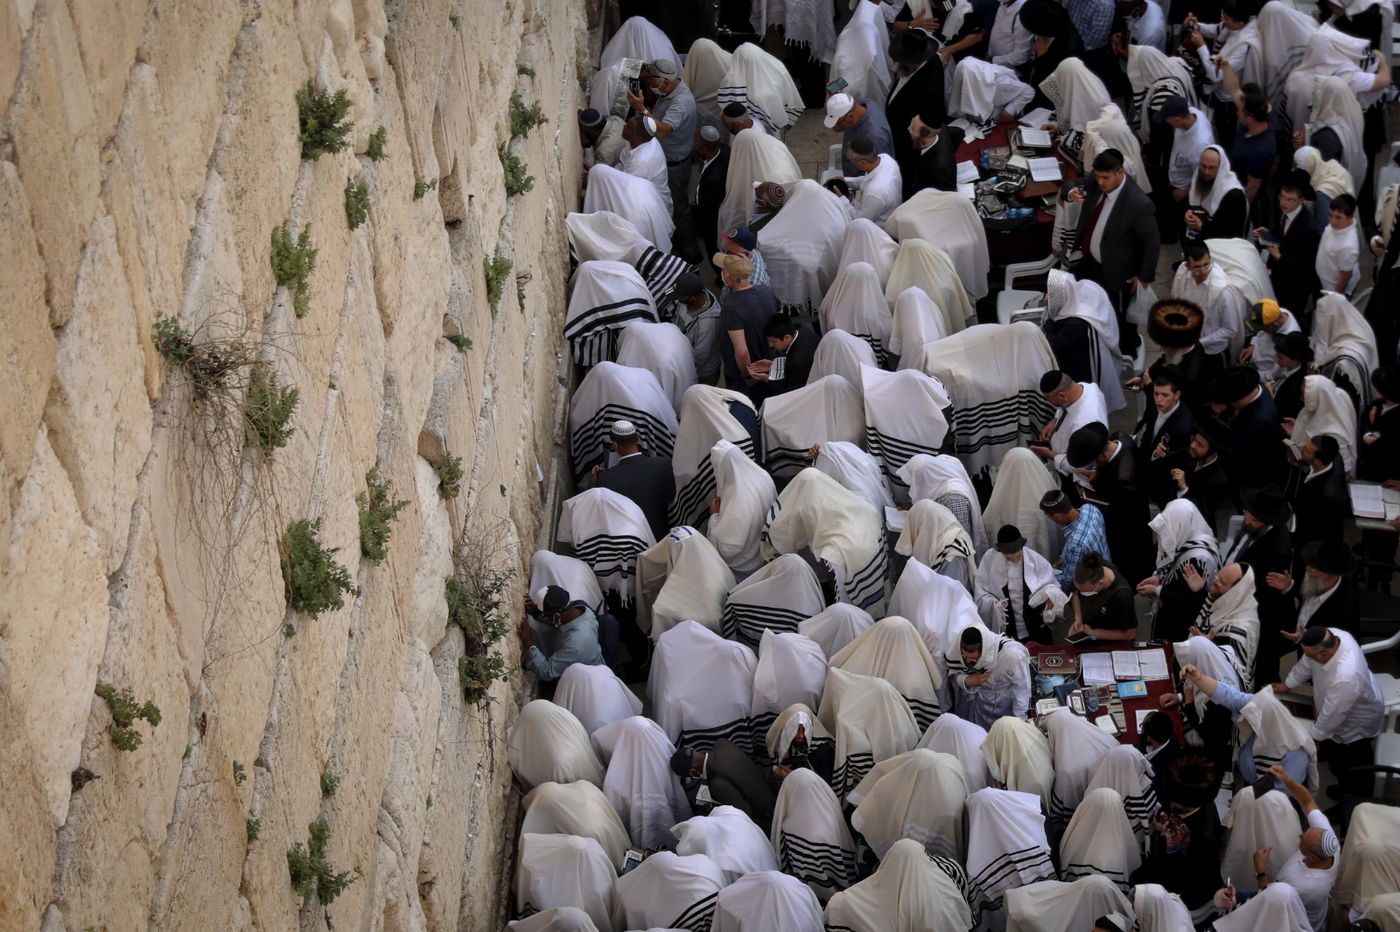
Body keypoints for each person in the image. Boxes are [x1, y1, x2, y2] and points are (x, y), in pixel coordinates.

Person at [1068, 148, 1160, 353]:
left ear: (1120, 173)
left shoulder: (1138, 203)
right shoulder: (1096, 181)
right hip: (1090, 262)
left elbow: (1152, 242)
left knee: (1121, 318)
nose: (1100, 182)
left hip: (1118, 272)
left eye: (1105, 178)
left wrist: (1144, 276)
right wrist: (1071, 192)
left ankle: (1127, 353)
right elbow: (1074, 184)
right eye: (1098, 176)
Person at [1276, 626, 1385, 799]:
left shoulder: (1346, 675)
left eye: (1312, 656)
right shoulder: (1334, 635)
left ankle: (1352, 802)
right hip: (1339, 707)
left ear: (1324, 654)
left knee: (1352, 767)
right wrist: (1287, 684)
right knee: (1338, 763)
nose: (1309, 658)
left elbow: (1332, 716)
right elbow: (1306, 662)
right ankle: (1344, 788)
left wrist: (1309, 741)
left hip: (1354, 725)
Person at [1066, 422, 1155, 583]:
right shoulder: (1120, 437)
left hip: (1129, 530)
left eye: (1094, 462)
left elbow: (1117, 513)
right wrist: (1097, 473)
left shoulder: (1124, 481)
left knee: (1128, 562)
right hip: (1129, 504)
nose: (1094, 465)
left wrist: (1087, 496)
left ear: (1101, 457)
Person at [629, 58, 698, 260]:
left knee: (679, 211)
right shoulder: (671, 90)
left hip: (675, 166)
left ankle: (690, 255)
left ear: (666, 83)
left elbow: (662, 131)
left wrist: (641, 109)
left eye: (653, 86)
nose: (652, 90)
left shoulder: (681, 102)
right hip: (667, 161)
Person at [1138, 499, 1221, 642]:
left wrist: (1157, 590)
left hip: (1181, 629)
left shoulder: (1199, 559)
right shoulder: (1193, 540)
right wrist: (1160, 578)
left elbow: (1186, 599)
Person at [1184, 1, 1262, 144]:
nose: (1223, 22)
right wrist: (1195, 25)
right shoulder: (1231, 27)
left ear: (1239, 24)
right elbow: (1214, 29)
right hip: (1219, 95)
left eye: (1227, 19)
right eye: (1223, 17)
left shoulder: (1243, 46)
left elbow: (1217, 75)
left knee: (1226, 135)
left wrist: (1201, 46)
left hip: (1228, 101)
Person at [974, 525, 1067, 643]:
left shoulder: (1034, 560)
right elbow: (980, 593)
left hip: (1035, 627)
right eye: (1009, 558)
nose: (1015, 561)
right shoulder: (989, 560)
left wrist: (1050, 595)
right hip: (1008, 629)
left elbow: (1051, 584)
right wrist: (995, 605)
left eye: (1018, 556)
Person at [587, 419, 676, 542]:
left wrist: (592, 483)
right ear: (638, 438)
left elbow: (594, 511)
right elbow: (672, 500)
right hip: (661, 540)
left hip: (631, 545)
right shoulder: (663, 464)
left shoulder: (605, 479)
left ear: (615, 445)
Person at [885, 31, 946, 198]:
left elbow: (933, 119)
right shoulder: (912, 67)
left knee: (907, 173)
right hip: (899, 131)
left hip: (909, 143)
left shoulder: (930, 82)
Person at [671, 740, 780, 833]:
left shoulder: (717, 784)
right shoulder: (721, 744)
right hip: (771, 792)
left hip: (769, 818)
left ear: (693, 771)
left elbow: (744, 817)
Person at [713, 251, 777, 405]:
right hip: (767, 364)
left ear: (729, 277)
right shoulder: (766, 291)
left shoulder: (731, 307)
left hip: (746, 376)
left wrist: (748, 377)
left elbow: (742, 352)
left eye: (724, 270)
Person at [1253, 174, 1321, 309]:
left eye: (1290, 200)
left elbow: (1306, 268)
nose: (1284, 202)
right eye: (1282, 197)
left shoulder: (1309, 229)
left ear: (1301, 200)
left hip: (1294, 288)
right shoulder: (1283, 210)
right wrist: (1267, 234)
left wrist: (1279, 257)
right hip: (1277, 278)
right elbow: (1282, 232)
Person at [946, 623, 1033, 727]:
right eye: (964, 656)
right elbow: (954, 673)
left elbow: (1022, 692)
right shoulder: (960, 650)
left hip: (1003, 711)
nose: (968, 661)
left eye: (973, 659)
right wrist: (967, 680)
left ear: (984, 652)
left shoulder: (1012, 655)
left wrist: (1018, 724)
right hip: (973, 709)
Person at [1172, 243, 1246, 364]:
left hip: (1211, 354)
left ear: (1210, 259)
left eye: (1206, 265)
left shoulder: (1223, 291)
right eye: (1196, 267)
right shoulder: (1183, 276)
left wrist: (1199, 342)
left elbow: (1230, 328)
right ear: (1187, 266)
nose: (1203, 271)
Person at [519, 585, 606, 683]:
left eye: (546, 615)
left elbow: (546, 672)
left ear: (556, 616)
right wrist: (536, 613)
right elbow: (559, 621)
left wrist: (530, 643)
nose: (545, 617)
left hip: (587, 683)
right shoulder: (583, 610)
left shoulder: (575, 644)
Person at [1136, 366, 1197, 507]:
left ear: (1177, 395)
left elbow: (1175, 460)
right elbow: (1148, 432)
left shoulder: (1183, 427)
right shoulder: (1155, 404)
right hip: (1145, 464)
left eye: (1165, 395)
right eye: (1156, 394)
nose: (1159, 400)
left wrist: (1156, 455)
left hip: (1163, 479)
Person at [1031, 370, 1109, 478]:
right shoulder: (1086, 387)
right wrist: (1055, 421)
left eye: (1051, 401)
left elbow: (1079, 466)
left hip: (1068, 477)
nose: (1051, 404)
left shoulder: (1083, 425)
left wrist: (1050, 455)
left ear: (1062, 395)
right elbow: (1064, 406)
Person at [1160, 95, 1217, 227]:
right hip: (1176, 176)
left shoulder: (1199, 145)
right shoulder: (1193, 113)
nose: (1166, 123)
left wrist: (1185, 192)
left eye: (1167, 119)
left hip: (1184, 192)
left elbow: (1204, 177)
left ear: (1177, 119)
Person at [1289, 436, 1352, 553]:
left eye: (1306, 450)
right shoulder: (1332, 457)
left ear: (1317, 461)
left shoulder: (1326, 496)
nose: (1301, 448)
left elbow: (1311, 529)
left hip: (1312, 545)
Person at [1041, 490, 1111, 591]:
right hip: (1106, 565)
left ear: (1057, 516)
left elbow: (1068, 583)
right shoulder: (1090, 508)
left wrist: (1044, 578)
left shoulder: (1077, 545)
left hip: (1094, 586)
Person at [1067, 550, 1138, 641]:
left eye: (1086, 592)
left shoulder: (1122, 597)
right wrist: (1078, 619)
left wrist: (1094, 633)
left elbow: (1130, 634)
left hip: (1108, 641)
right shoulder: (1093, 567)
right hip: (1088, 627)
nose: (1082, 594)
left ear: (1100, 583)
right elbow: (1075, 594)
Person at [1169, 426, 1229, 533]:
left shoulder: (1218, 479)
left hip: (1196, 530)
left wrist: (1184, 489)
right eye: (1194, 440)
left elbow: (1203, 512)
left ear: (1211, 452)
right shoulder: (1193, 453)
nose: (1192, 445)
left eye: (1199, 445)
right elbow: (1171, 457)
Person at [1184, 145, 1247, 241]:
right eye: (1203, 166)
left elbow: (1232, 233)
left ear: (1221, 168)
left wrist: (1201, 226)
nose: (1206, 172)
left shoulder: (1234, 195)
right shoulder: (1198, 179)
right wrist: (1188, 215)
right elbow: (1193, 203)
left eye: (1212, 168)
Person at [824, 92, 894, 177]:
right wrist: (837, 100)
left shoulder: (874, 137)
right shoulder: (865, 103)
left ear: (850, 117)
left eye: (838, 123)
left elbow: (879, 174)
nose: (835, 127)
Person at [747, 314, 817, 396]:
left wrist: (766, 378)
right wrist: (771, 365)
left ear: (787, 338)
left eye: (773, 341)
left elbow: (790, 393)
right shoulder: (803, 330)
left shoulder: (797, 362)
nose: (770, 345)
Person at [670, 272, 721, 384]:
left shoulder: (708, 324)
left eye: (680, 297)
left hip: (701, 374)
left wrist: (679, 373)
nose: (677, 300)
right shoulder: (692, 295)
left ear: (692, 298)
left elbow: (699, 358)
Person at [842, 136, 903, 223]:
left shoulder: (875, 192)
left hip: (877, 228)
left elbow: (859, 220)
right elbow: (868, 179)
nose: (850, 163)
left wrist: (842, 200)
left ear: (863, 162)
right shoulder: (885, 158)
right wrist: (845, 181)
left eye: (850, 160)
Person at [618, 114, 672, 212]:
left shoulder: (642, 162)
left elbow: (624, 188)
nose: (624, 126)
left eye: (628, 127)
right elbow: (621, 164)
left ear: (639, 137)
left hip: (653, 209)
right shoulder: (643, 139)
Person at [692, 125, 730, 260]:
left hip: (711, 219)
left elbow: (707, 210)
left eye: (694, 140)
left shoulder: (713, 179)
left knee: (712, 246)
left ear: (703, 149)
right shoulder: (724, 149)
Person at [907, 107, 965, 193]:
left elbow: (944, 195)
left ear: (925, 137)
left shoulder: (939, 169)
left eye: (913, 129)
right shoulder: (940, 129)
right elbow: (959, 132)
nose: (908, 129)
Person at [1316, 193, 1361, 298]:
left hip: (1332, 290)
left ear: (1350, 217)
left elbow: (1345, 277)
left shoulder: (1348, 246)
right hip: (1324, 281)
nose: (1332, 221)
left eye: (1338, 217)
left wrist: (1335, 297)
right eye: (1330, 215)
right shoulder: (1338, 226)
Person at [1271, 332, 1313, 421]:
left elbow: (1282, 412)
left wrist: (1270, 394)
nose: (1276, 359)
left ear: (1295, 359)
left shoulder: (1294, 386)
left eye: (1280, 357)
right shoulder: (1288, 367)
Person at [989, 0, 1036, 69]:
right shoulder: (1003, 4)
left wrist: (993, 60)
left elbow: (1020, 56)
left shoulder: (1022, 14)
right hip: (994, 63)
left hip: (1010, 71)